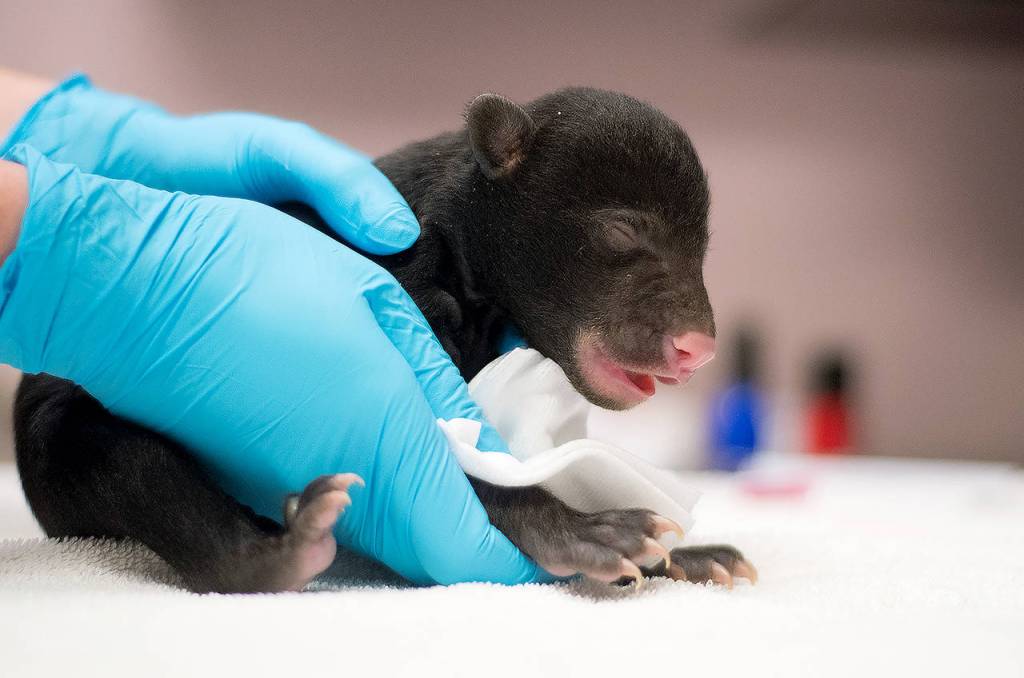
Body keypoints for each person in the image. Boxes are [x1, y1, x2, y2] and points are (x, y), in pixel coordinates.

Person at [0, 69, 549, 585]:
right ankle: (238, 556)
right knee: (87, 437)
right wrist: (62, 250)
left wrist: (53, 128)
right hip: (72, 429)